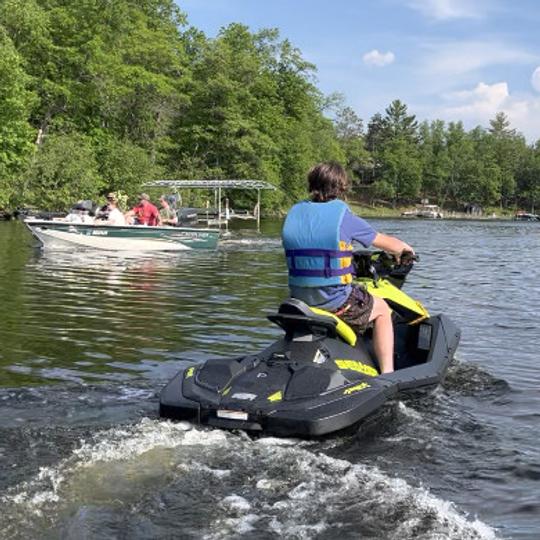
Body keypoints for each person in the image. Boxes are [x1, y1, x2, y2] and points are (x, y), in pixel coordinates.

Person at [281, 162, 414, 374]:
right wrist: (405, 249)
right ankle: (387, 374)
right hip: (335, 301)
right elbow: (386, 242)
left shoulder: (295, 213)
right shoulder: (343, 217)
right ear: (341, 187)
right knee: (382, 310)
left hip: (299, 298)